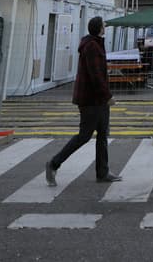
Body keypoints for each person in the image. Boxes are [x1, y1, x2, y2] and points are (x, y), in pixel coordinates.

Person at [45, 16, 121, 185]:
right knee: (84, 136)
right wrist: (107, 96)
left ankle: (103, 172)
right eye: (104, 24)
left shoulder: (95, 43)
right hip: (91, 100)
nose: (105, 26)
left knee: (102, 134)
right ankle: (53, 163)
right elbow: (96, 75)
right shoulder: (92, 47)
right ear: (99, 28)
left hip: (97, 100)